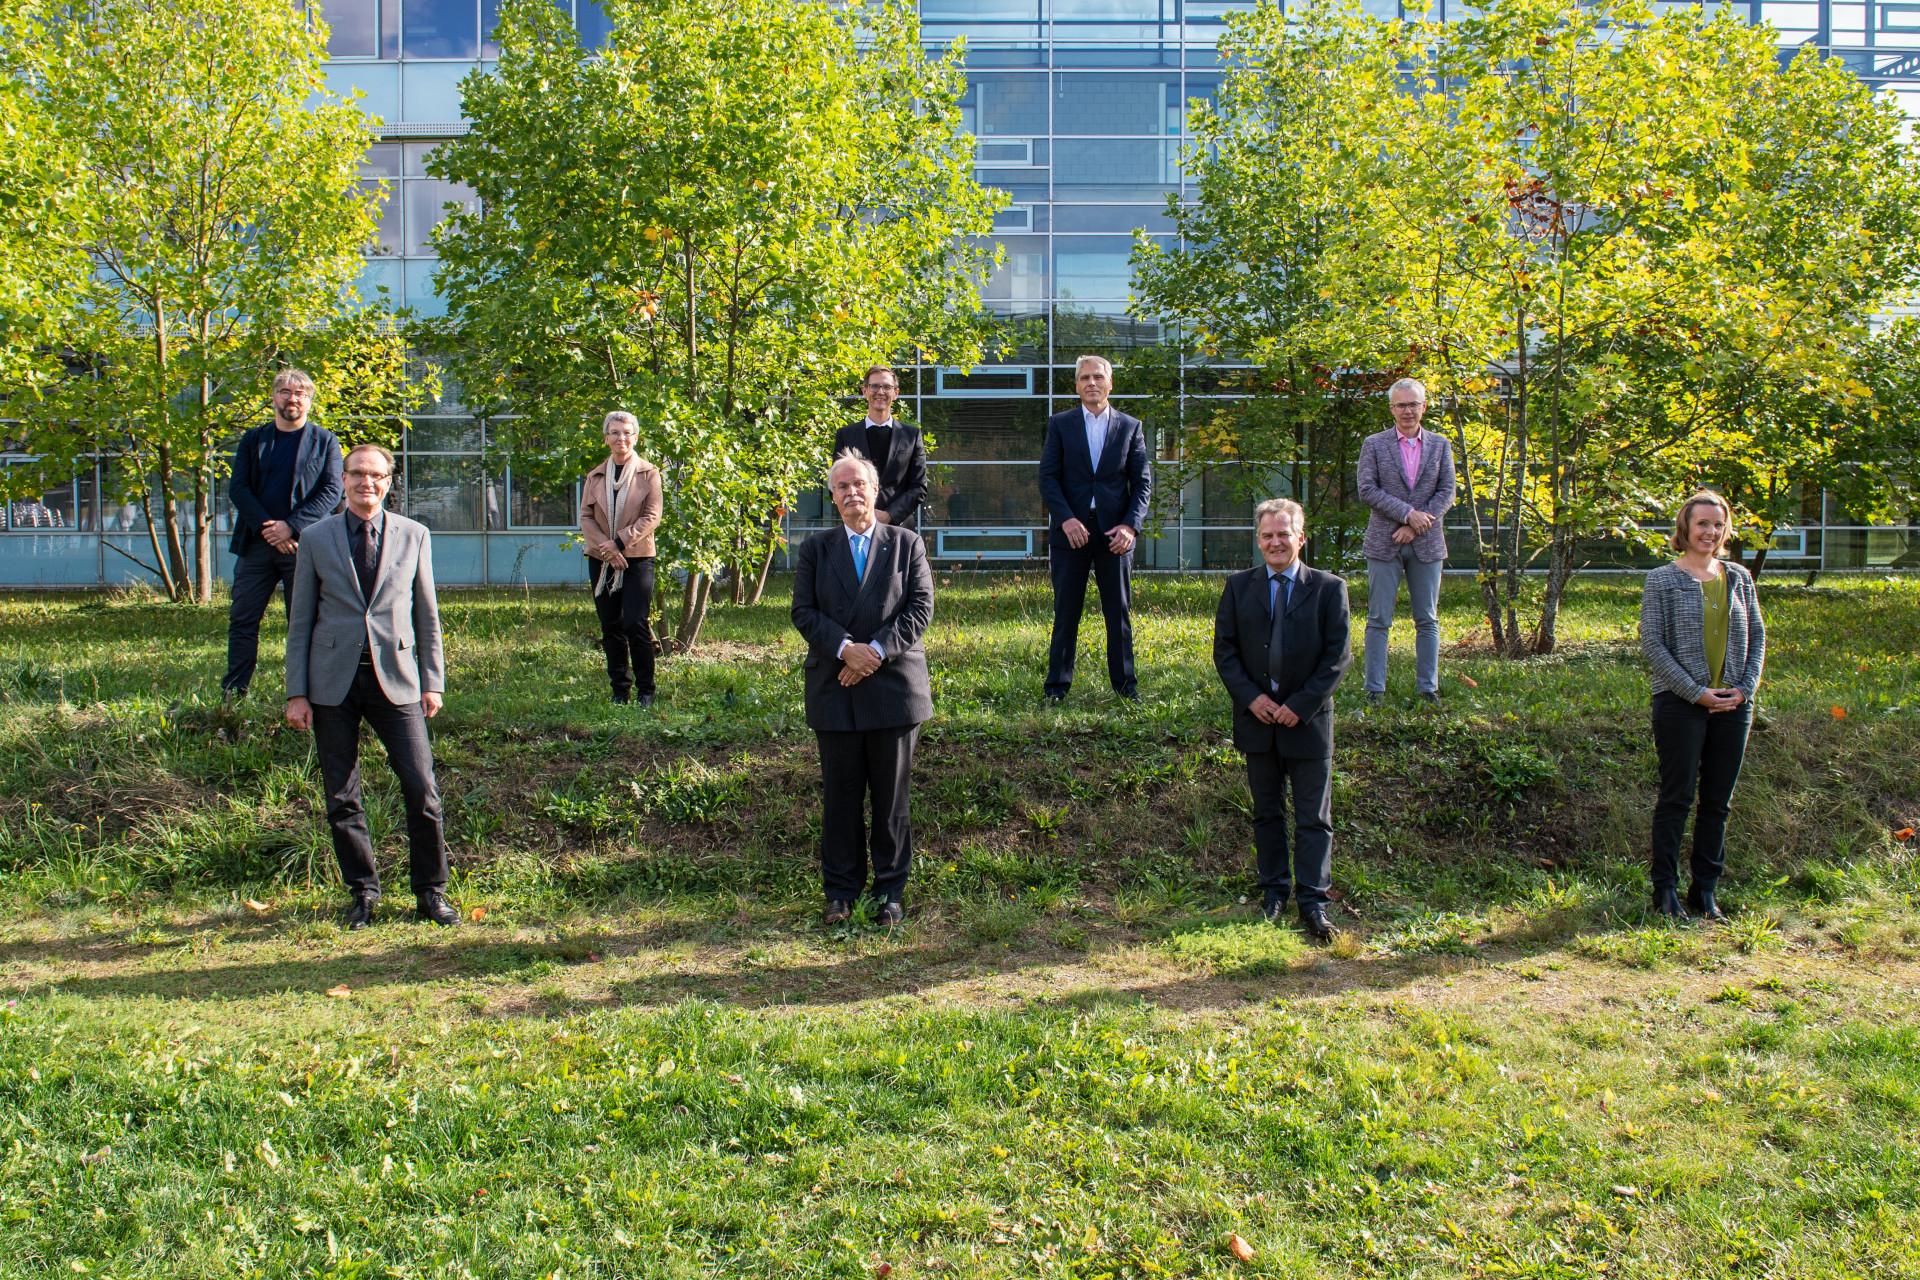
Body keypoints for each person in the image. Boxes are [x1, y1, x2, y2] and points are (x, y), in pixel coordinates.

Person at [284, 444, 455, 930]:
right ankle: (362, 893)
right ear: (343, 479)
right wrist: (296, 691)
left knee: (422, 788)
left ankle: (431, 892)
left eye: (376, 475)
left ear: (388, 482)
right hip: (330, 682)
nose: (367, 482)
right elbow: (301, 621)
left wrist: (432, 681)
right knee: (342, 795)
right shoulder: (316, 538)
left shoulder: (414, 535)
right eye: (358, 473)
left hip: (397, 679)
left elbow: (427, 614)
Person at [791, 450, 935, 928]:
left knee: (891, 800)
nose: (852, 493)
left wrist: (873, 652)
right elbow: (804, 612)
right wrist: (844, 649)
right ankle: (840, 894)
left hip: (893, 687)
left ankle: (890, 893)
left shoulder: (906, 543)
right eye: (842, 487)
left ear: (876, 492)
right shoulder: (815, 549)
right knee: (841, 797)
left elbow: (919, 609)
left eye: (860, 485)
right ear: (833, 498)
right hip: (836, 688)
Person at [1212, 499, 1352, 943]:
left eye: (1284, 534)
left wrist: (1301, 704)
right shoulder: (1238, 587)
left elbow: (1338, 657)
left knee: (1314, 817)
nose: (1276, 542)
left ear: (1300, 538)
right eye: (1268, 535)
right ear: (1259, 540)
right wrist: (1252, 699)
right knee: (1266, 813)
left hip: (1307, 724)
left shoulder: (1330, 589)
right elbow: (1225, 652)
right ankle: (1274, 892)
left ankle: (1313, 901)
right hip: (1258, 723)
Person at [1639, 490, 1766, 922]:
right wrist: (1697, 693)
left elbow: (1758, 637)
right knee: (1677, 798)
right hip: (1679, 703)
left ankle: (1705, 891)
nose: (1710, 532)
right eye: (1702, 524)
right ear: (1685, 529)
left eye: (1717, 524)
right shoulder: (1661, 579)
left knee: (1718, 802)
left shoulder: (1739, 578)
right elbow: (1653, 645)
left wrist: (1744, 689)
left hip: (1734, 705)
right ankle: (1666, 892)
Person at [222, 369, 344, 701]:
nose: (293, 399)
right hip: (256, 545)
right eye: (286, 392)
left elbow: (332, 490)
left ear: (309, 401)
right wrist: (270, 529)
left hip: (303, 546)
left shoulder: (325, 441)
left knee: (304, 624)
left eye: (301, 394)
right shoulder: (253, 440)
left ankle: (306, 694)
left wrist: (291, 526)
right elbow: (239, 489)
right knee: (243, 620)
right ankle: (234, 693)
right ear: (274, 397)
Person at [1038, 354, 1151, 703]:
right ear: (1076, 385)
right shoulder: (1060, 424)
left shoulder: (1131, 427)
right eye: (1084, 377)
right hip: (1070, 532)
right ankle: (1057, 688)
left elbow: (1142, 484)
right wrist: (1066, 518)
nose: (1091, 383)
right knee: (1066, 613)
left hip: (1114, 536)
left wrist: (1130, 528)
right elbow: (1048, 478)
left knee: (1118, 613)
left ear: (1110, 383)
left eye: (1098, 377)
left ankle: (1125, 687)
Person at [1356, 377, 1456, 705]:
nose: (1407, 411)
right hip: (1384, 543)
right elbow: (1367, 489)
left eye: (1413, 404)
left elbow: (1447, 492)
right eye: (1401, 405)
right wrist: (1407, 514)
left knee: (1427, 618)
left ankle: (1428, 690)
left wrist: (1415, 525)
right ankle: (1374, 691)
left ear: (1424, 406)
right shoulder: (1374, 444)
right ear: (1391, 409)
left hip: (1427, 544)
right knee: (1378, 618)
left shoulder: (1441, 445)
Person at [579, 411, 663, 706]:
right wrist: (606, 548)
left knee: (635, 623)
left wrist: (618, 543)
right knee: (610, 625)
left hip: (637, 558)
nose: (621, 438)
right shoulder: (595, 476)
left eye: (627, 432)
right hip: (601, 559)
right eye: (614, 432)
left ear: (636, 437)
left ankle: (646, 691)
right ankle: (620, 691)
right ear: (606, 438)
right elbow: (585, 517)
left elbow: (652, 516)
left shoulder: (648, 473)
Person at [831, 366, 927, 530]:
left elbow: (918, 487)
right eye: (875, 386)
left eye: (887, 387)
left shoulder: (912, 436)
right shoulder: (845, 435)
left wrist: (889, 515)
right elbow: (837, 484)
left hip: (900, 527)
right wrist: (863, 512)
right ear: (865, 391)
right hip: (857, 525)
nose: (880, 391)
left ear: (896, 393)